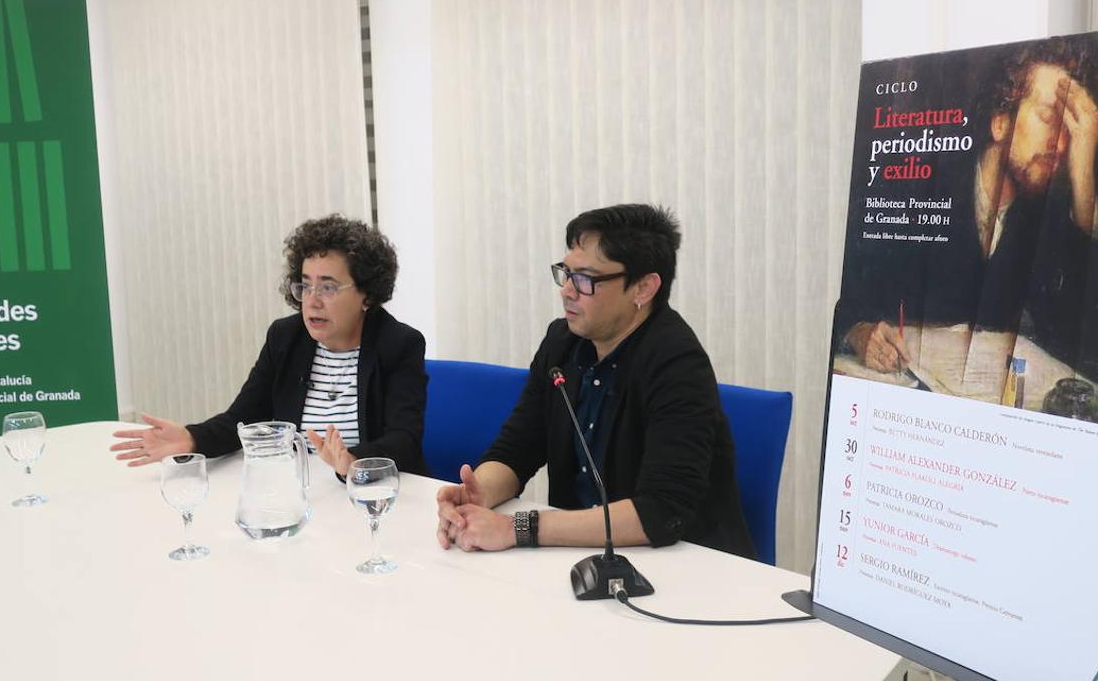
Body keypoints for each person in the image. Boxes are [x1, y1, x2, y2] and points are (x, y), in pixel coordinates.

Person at [435, 203, 755, 558]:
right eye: (565, 273)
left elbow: (661, 511)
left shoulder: (677, 362)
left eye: (585, 279)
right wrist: (477, 494)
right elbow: (518, 448)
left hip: (682, 567)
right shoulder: (562, 343)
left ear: (643, 288)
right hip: (580, 555)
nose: (567, 291)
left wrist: (517, 527)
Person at [846, 39, 1098, 375]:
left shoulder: (1048, 216)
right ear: (1000, 123)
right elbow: (851, 297)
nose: (1062, 144)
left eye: (1070, 130)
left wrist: (1085, 194)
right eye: (1048, 117)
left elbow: (1077, 347)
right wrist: (859, 332)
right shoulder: (916, 182)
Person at [111, 214, 428, 477]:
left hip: (368, 496)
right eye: (305, 285)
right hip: (299, 494)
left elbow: (404, 440)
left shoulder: (399, 344)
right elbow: (244, 418)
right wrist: (193, 438)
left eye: (328, 287)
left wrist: (352, 461)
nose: (312, 300)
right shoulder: (285, 338)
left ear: (367, 293)